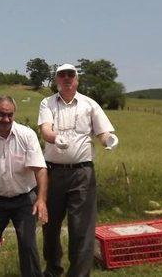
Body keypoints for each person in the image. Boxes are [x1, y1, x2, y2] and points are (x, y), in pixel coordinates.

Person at [38, 64, 118, 277]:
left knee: (81, 228)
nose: (66, 78)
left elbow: (102, 131)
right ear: (56, 80)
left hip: (82, 173)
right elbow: (46, 129)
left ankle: (79, 274)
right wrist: (56, 138)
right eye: (61, 75)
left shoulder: (89, 104)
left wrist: (108, 139)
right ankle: (53, 270)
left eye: (70, 75)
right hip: (53, 172)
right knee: (50, 225)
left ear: (77, 80)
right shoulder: (47, 103)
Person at [0, 96, 48, 277]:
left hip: (24, 199)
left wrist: (42, 199)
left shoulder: (27, 135)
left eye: (9, 115)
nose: (5, 119)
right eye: (1, 115)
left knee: (28, 246)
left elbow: (40, 169)